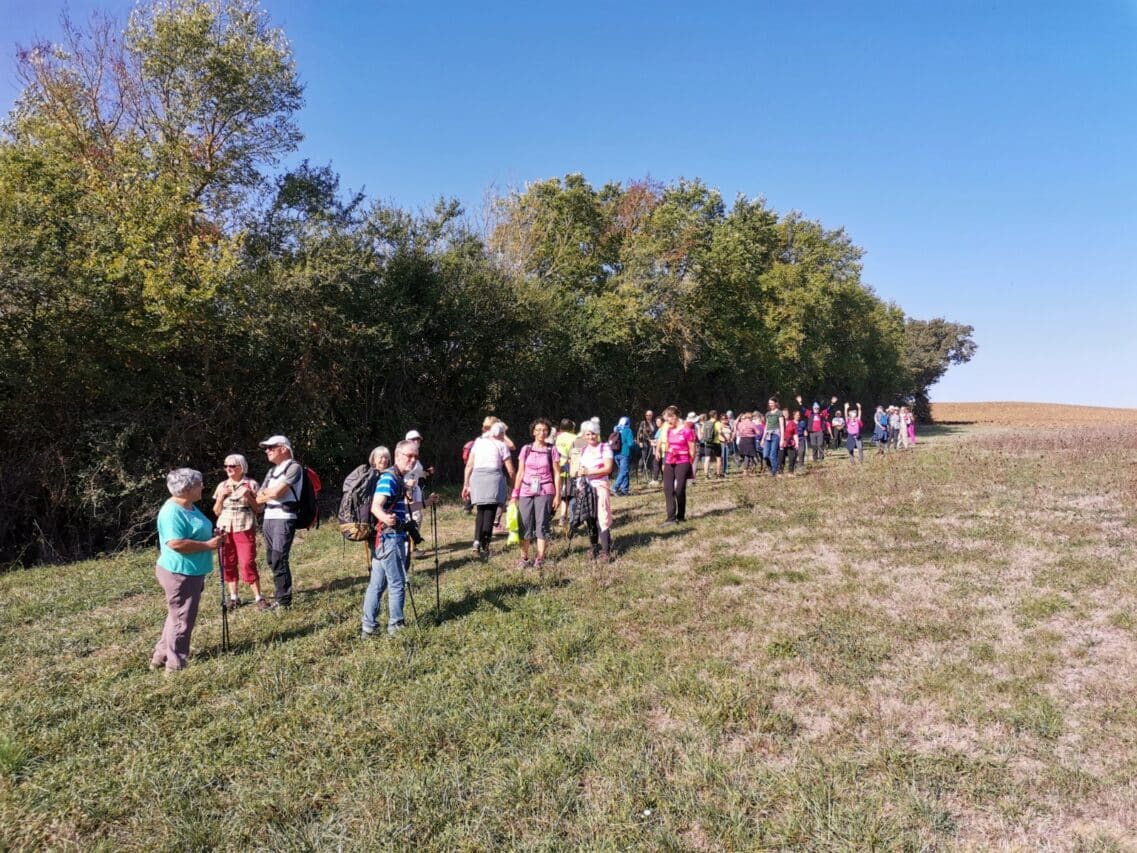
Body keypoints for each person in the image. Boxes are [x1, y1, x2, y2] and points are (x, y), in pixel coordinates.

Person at [151, 468, 221, 673]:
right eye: (199, 484)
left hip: (192, 570)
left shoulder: (188, 505)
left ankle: (160, 656)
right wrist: (209, 545)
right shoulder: (173, 511)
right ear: (187, 488)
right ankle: (175, 665)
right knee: (182, 619)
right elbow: (176, 543)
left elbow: (195, 529)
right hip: (180, 573)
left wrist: (211, 534)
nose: (203, 487)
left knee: (176, 615)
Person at [361, 440, 419, 638]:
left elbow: (403, 508)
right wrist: (385, 517)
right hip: (389, 537)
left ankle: (368, 628)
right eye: (408, 456)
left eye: (415, 456)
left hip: (384, 538)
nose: (412, 460)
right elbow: (376, 506)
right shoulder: (389, 478)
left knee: (377, 584)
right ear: (398, 456)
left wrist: (426, 503)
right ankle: (396, 627)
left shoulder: (397, 478)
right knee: (397, 583)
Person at [211, 454, 268, 612]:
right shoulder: (222, 486)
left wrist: (249, 497)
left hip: (244, 526)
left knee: (247, 562)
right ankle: (234, 597)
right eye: (226, 466)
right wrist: (221, 496)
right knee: (227, 562)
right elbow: (216, 511)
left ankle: (259, 597)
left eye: (232, 466)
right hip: (224, 528)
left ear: (241, 467)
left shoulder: (251, 484)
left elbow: (259, 509)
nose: (228, 469)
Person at [255, 435, 302, 609]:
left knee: (279, 558)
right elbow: (259, 497)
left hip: (284, 517)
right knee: (271, 558)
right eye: (266, 448)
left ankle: (283, 602)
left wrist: (269, 493)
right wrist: (270, 493)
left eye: (271, 447)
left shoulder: (294, 467)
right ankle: (280, 595)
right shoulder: (272, 471)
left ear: (283, 448)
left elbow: (277, 493)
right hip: (269, 517)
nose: (267, 451)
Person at [511, 418, 561, 569]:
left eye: (545, 430)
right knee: (524, 524)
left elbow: (557, 473)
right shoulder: (526, 449)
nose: (541, 433)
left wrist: (558, 495)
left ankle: (539, 558)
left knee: (542, 524)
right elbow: (520, 473)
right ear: (533, 432)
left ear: (548, 432)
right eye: (538, 430)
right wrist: (514, 494)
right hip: (526, 490)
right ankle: (524, 557)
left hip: (545, 490)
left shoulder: (551, 450)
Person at [462, 421, 515, 557]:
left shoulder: (478, 443)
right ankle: (485, 545)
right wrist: (514, 486)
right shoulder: (502, 445)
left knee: (480, 511)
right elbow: (510, 470)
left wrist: (466, 485)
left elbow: (469, 466)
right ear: (502, 434)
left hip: (477, 478)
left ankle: (476, 542)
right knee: (490, 512)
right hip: (493, 477)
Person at [575, 421, 615, 560]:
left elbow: (608, 468)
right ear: (584, 436)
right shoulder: (582, 450)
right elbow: (578, 469)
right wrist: (579, 475)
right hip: (586, 487)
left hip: (600, 485)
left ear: (597, 434)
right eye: (588, 434)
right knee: (590, 517)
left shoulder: (605, 448)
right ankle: (593, 547)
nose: (591, 436)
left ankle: (606, 551)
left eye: (593, 433)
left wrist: (589, 471)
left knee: (602, 517)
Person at [660, 406, 697, 524]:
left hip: (683, 461)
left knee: (679, 490)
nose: (667, 422)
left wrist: (689, 463)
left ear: (674, 417)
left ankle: (681, 515)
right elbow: (667, 446)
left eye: (668, 420)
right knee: (667, 489)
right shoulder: (669, 431)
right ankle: (670, 518)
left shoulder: (687, 431)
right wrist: (667, 454)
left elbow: (692, 449)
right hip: (670, 461)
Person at [762, 399, 785, 477]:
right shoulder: (767, 414)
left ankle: (775, 472)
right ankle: (773, 468)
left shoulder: (779, 413)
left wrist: (782, 438)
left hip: (776, 435)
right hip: (768, 435)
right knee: (765, 455)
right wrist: (763, 438)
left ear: (775, 403)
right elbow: (766, 426)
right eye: (769, 403)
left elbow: (782, 426)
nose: (770, 404)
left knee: (772, 455)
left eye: (772, 403)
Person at [613, 416, 635, 496]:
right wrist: (635, 443)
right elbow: (630, 444)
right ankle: (615, 487)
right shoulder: (628, 430)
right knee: (624, 471)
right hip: (625, 454)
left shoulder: (616, 429)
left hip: (616, 454)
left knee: (624, 471)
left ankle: (625, 490)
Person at [637, 411, 656, 484]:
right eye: (647, 415)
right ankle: (640, 470)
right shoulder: (643, 423)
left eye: (650, 415)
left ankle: (650, 472)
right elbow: (640, 433)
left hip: (652, 442)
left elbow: (655, 433)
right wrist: (640, 442)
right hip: (644, 442)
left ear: (652, 415)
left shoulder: (654, 423)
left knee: (651, 457)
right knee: (644, 456)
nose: (648, 416)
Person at [779, 408, 799, 475]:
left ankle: (791, 472)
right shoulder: (779, 423)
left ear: (788, 414)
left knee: (792, 457)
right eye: (783, 414)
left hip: (790, 443)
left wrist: (797, 443)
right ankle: (780, 472)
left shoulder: (792, 423)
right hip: (781, 443)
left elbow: (795, 434)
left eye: (786, 414)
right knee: (781, 458)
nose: (785, 415)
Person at [717, 411, 733, 477]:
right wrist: (725, 438)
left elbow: (731, 433)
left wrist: (731, 438)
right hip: (722, 443)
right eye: (723, 419)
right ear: (720, 419)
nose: (724, 420)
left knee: (726, 457)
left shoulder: (729, 425)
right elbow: (720, 433)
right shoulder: (720, 425)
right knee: (722, 457)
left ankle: (726, 471)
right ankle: (721, 471)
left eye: (726, 418)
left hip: (728, 443)